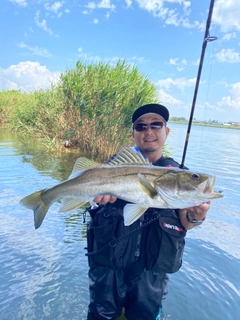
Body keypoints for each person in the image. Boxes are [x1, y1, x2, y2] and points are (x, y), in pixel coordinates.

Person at [86, 103, 210, 320]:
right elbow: (93, 205)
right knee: (100, 315)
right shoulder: (112, 168)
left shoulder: (180, 175)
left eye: (156, 124)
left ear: (166, 131)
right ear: (133, 133)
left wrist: (196, 215)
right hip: (109, 266)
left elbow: (187, 221)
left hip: (151, 271)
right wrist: (99, 201)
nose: (149, 131)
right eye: (141, 126)